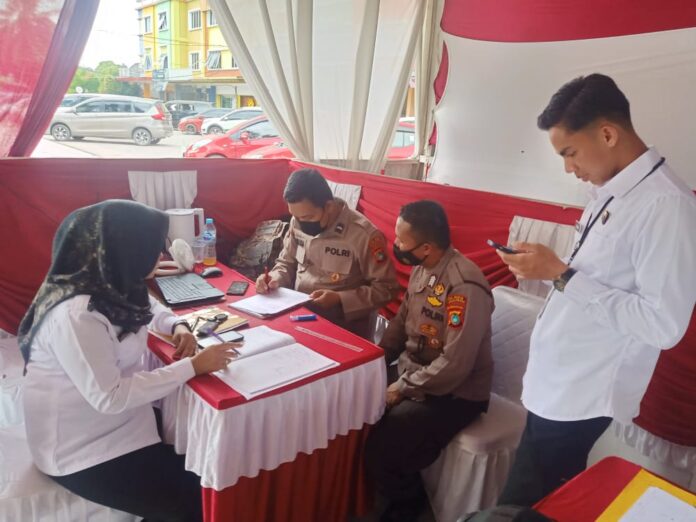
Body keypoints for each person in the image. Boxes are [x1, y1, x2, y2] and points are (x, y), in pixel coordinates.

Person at [496, 74, 696, 506]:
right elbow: (592, 275)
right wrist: (547, 268)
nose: (569, 168)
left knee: (520, 507)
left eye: (569, 153)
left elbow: (663, 324)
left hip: (582, 390)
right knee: (547, 502)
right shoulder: (610, 190)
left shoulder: (667, 206)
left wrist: (561, 275)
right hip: (556, 379)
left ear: (607, 134)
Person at [19, 200, 240, 522]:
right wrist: (192, 367)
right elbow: (110, 397)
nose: (162, 256)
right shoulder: (77, 315)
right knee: (199, 500)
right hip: (82, 449)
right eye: (154, 248)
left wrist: (176, 325)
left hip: (124, 424)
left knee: (208, 458)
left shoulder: (111, 282)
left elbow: (151, 307)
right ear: (127, 251)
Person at [365, 200, 494, 522]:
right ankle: (369, 497)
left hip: (456, 391)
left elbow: (456, 363)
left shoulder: (464, 285)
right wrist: (375, 361)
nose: (395, 245)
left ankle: (408, 507)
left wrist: (401, 388)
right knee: (357, 403)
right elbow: (400, 322)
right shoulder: (423, 268)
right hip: (415, 371)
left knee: (388, 439)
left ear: (425, 247)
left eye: (401, 241)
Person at [256, 168, 399, 337]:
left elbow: (386, 289)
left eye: (308, 217)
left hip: (342, 326)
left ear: (329, 206)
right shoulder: (298, 219)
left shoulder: (364, 235)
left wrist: (340, 299)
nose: (300, 222)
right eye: (295, 216)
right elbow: (286, 263)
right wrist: (274, 278)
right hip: (299, 316)